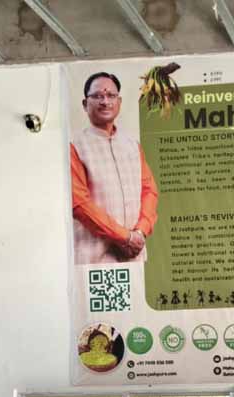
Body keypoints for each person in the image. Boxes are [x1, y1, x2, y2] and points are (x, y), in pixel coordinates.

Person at [71, 72, 159, 265]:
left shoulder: (132, 145)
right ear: (85, 104)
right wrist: (124, 237)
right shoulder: (75, 146)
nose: (105, 101)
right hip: (94, 258)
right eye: (97, 96)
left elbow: (149, 191)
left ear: (119, 102)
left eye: (111, 95)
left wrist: (140, 232)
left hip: (133, 255)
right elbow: (79, 204)